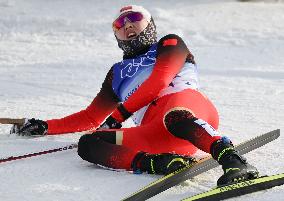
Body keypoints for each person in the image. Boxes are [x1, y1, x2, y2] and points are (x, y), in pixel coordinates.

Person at [10, 5, 259, 186]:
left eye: (135, 18)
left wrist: (119, 115)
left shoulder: (170, 43)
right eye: (119, 24)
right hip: (154, 132)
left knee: (174, 115)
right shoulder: (116, 74)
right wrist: (44, 126)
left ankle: (233, 160)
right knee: (91, 142)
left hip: (186, 108)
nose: (127, 25)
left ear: (149, 24)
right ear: (116, 36)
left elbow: (159, 81)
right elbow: (89, 117)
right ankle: (159, 163)